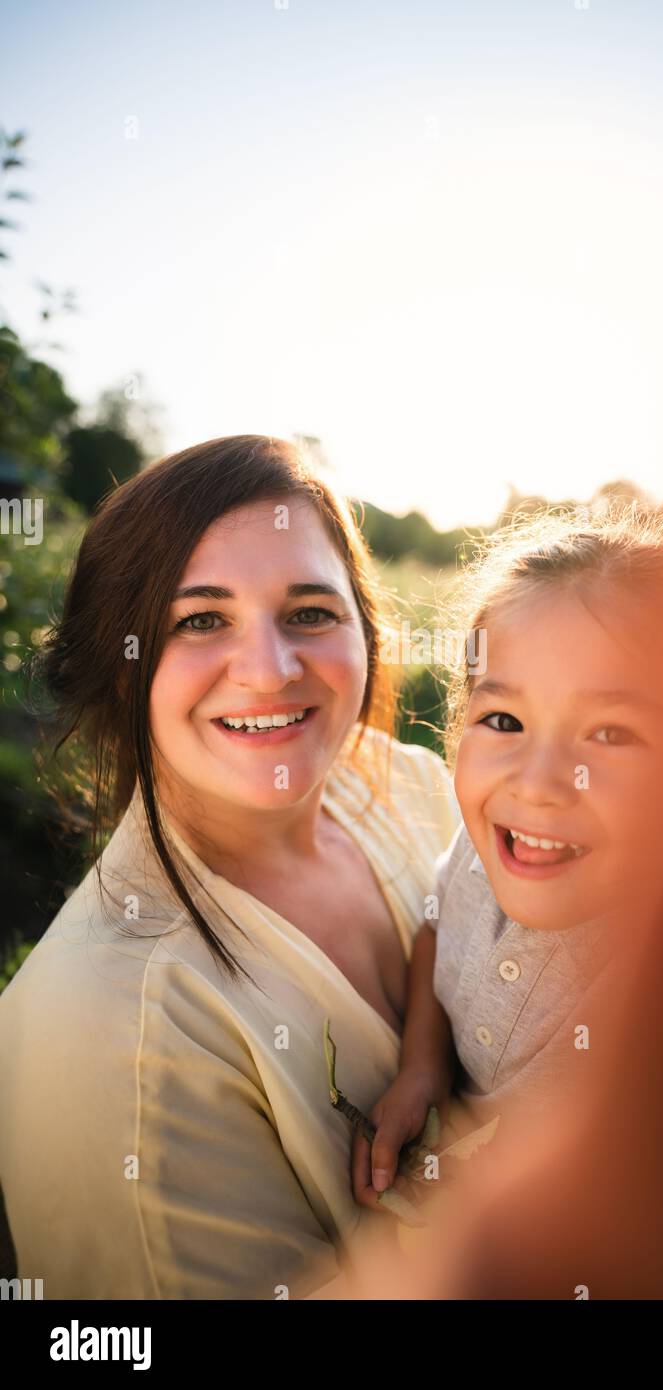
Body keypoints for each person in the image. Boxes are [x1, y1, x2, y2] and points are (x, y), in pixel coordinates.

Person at [0, 435, 458, 1299]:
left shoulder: (412, 785)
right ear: (118, 663)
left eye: (311, 612)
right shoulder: (112, 1029)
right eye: (200, 619)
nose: (268, 671)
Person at [352, 506, 663, 1209]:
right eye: (502, 720)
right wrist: (421, 1067)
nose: (535, 784)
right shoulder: (482, 854)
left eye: (611, 734)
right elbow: (436, 931)